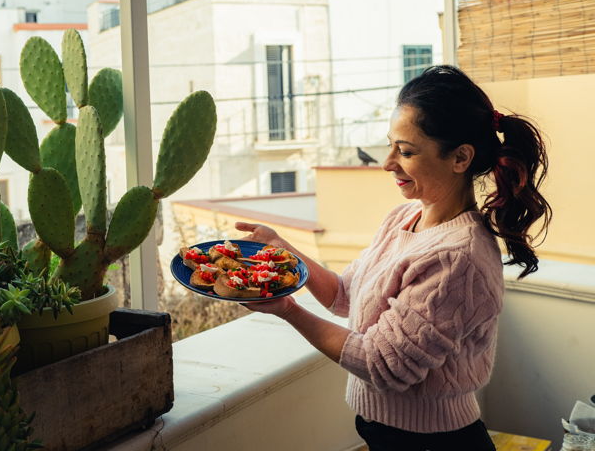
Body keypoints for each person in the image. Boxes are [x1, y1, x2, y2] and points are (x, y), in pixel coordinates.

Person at [236, 65, 551, 451]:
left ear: (460, 158)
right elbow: (346, 295)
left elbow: (380, 364)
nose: (387, 163)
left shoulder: (458, 257)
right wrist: (285, 251)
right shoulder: (406, 218)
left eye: (405, 151)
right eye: (391, 146)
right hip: (390, 437)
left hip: (433, 444)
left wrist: (287, 310)